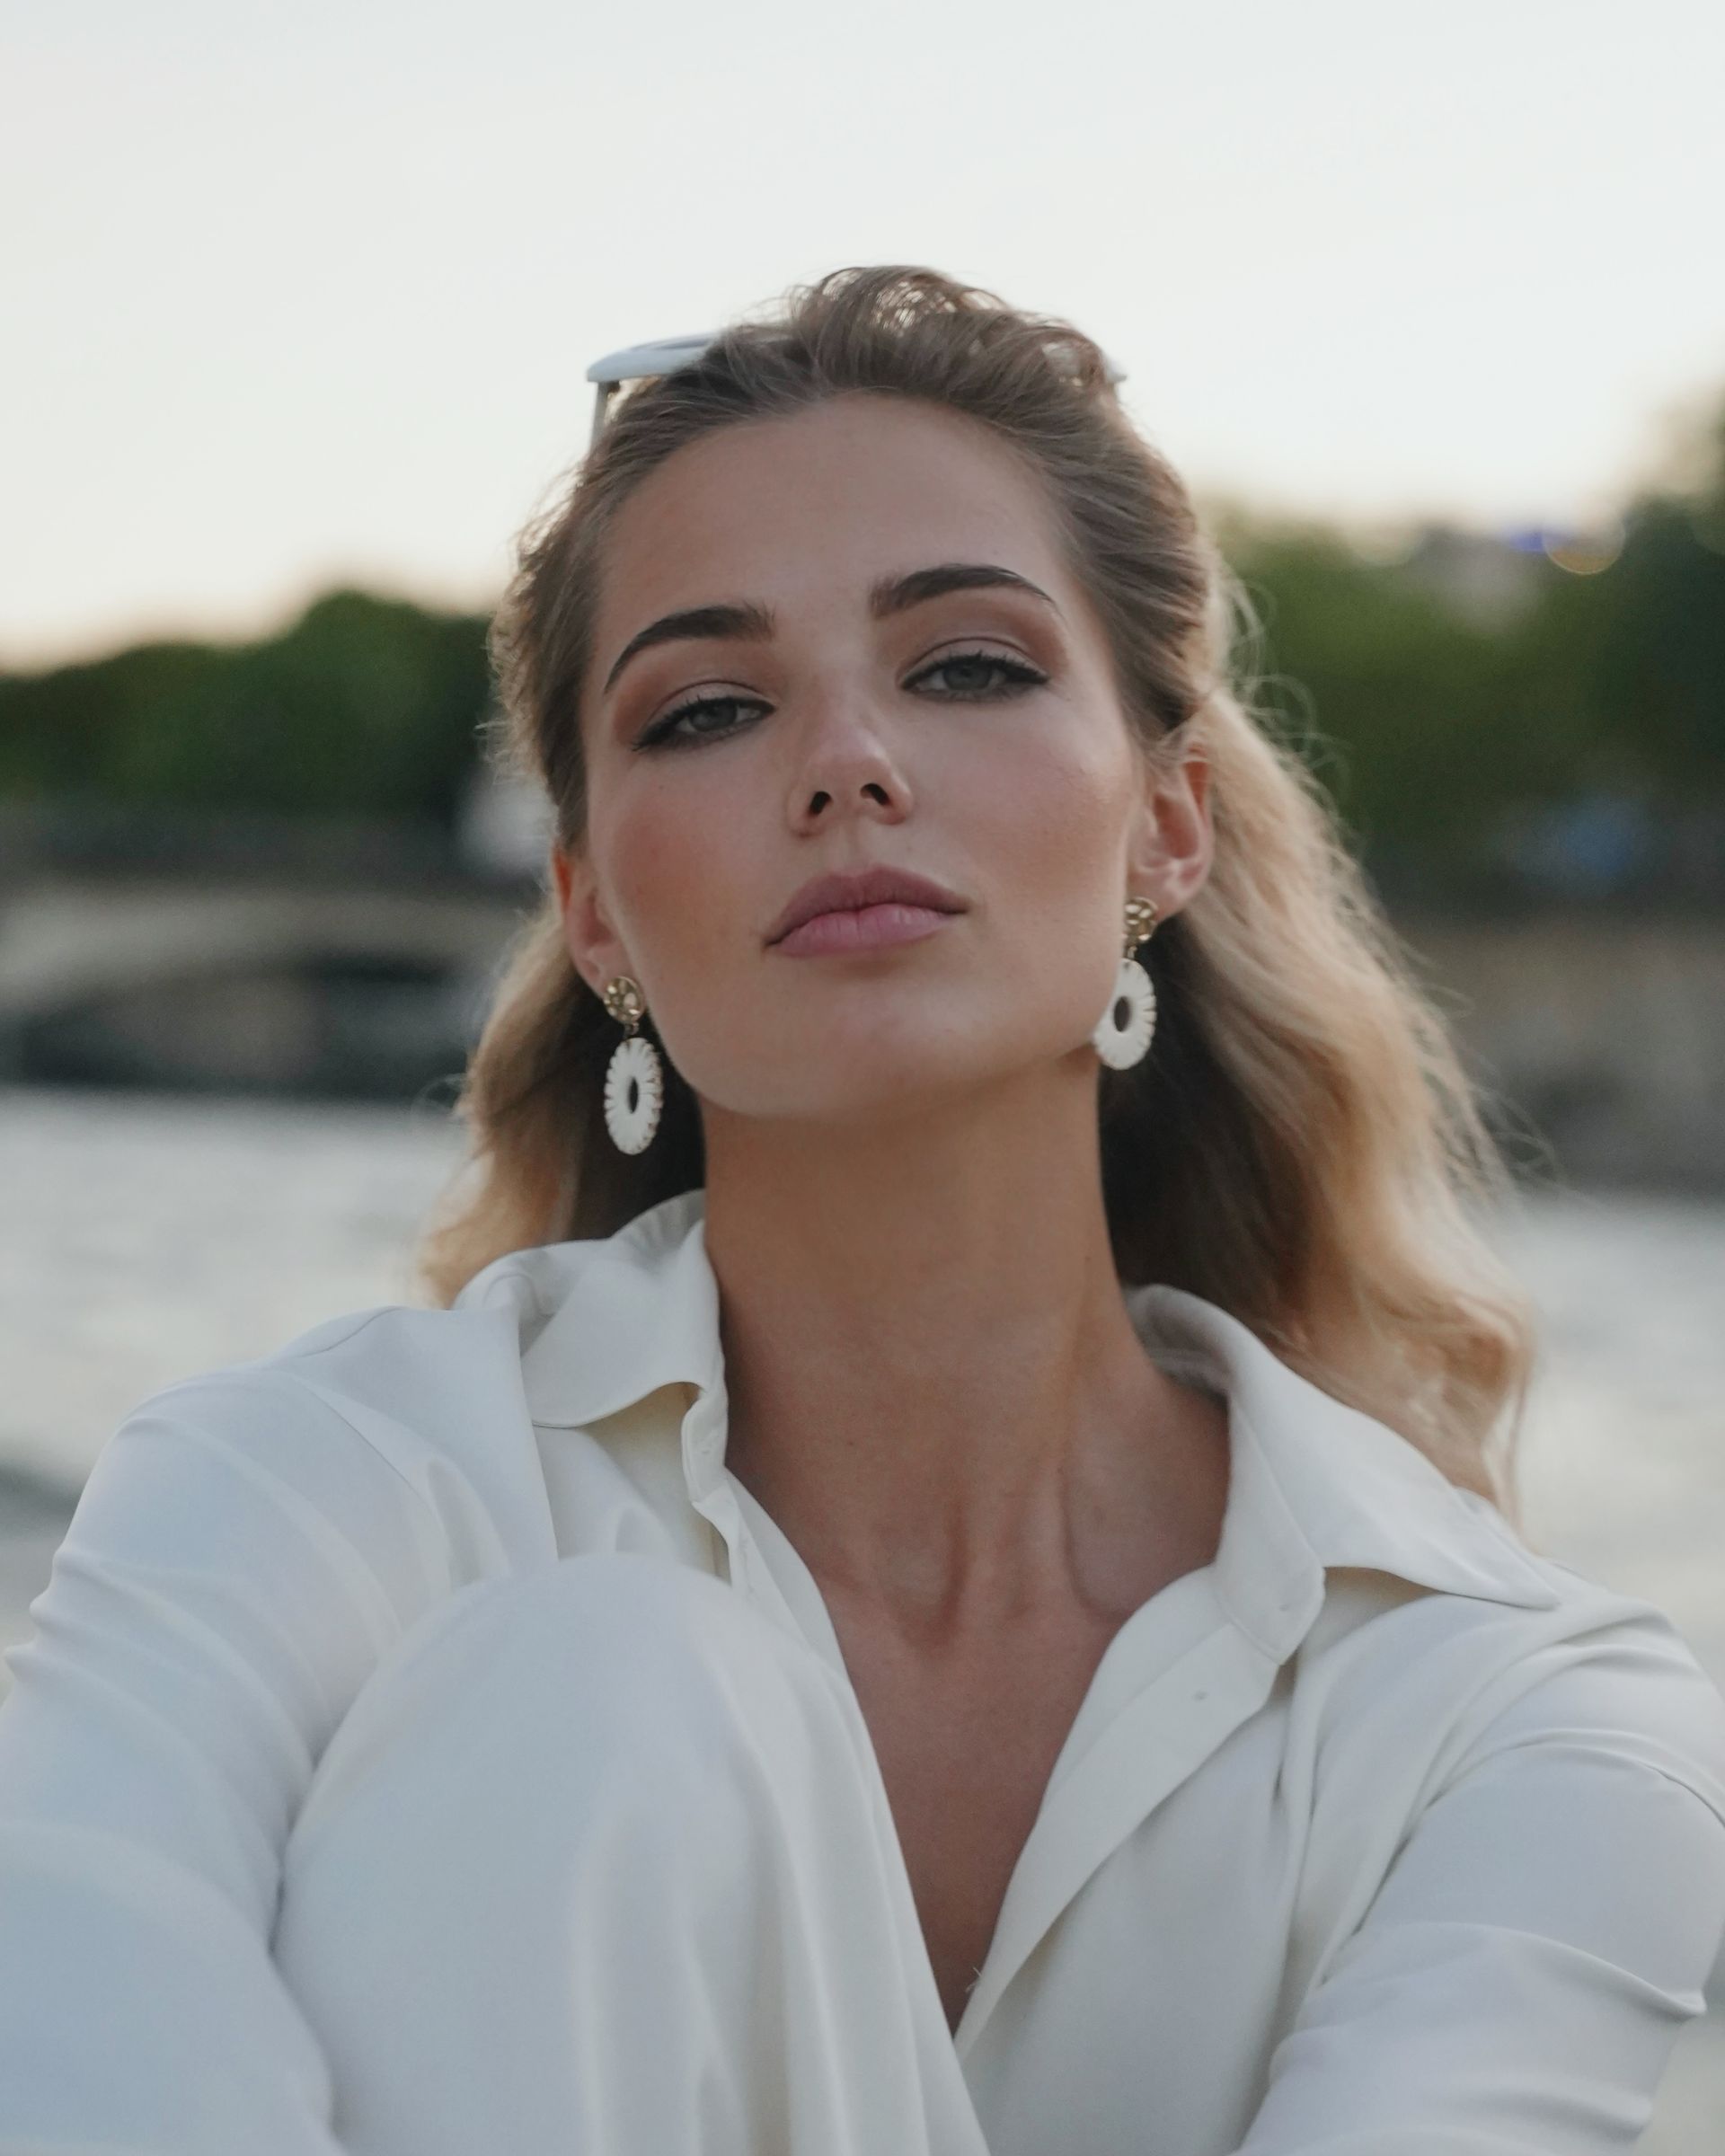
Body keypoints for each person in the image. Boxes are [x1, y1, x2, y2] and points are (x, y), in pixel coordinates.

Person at [2, 263, 1722, 2156]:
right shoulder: (295, 1497)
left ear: (1169, 824)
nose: (849, 763)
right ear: (593, 914)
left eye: (967, 666)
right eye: (711, 708)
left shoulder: (1515, 1708)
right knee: (603, 1691)